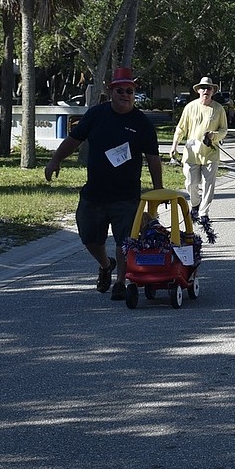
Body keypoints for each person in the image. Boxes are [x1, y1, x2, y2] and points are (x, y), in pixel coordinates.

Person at [44, 66, 163, 301]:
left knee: (125, 242)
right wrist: (55, 160)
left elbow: (153, 158)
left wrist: (158, 189)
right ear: (111, 92)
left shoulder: (142, 123)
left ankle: (120, 282)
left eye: (129, 91)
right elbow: (73, 140)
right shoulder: (96, 115)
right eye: (120, 90)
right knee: (89, 238)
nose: (125, 95)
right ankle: (106, 264)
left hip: (126, 196)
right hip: (95, 194)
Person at [170, 76, 228, 225]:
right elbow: (181, 128)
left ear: (213, 91)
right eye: (203, 88)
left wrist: (214, 135)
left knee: (209, 184)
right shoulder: (190, 107)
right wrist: (174, 145)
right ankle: (195, 204)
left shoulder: (218, 109)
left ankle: (203, 213)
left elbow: (224, 130)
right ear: (198, 91)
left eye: (209, 88)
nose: (206, 91)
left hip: (210, 152)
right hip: (191, 153)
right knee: (191, 183)